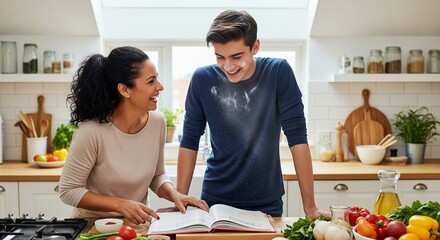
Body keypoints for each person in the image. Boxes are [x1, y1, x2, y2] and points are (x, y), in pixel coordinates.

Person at [176, 10, 329, 219]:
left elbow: (298, 138)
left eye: (236, 57)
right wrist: (180, 198)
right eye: (220, 57)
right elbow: (190, 140)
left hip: (267, 204)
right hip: (215, 202)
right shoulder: (202, 79)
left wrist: (310, 206)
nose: (228, 66)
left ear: (255, 47)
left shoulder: (278, 73)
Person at [59, 46, 208, 224]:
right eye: (151, 81)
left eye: (157, 79)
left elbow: (157, 175)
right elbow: (68, 190)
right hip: (93, 227)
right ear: (124, 90)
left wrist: (175, 194)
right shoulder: (91, 132)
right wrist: (120, 205)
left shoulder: (157, 122)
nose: (160, 87)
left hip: (136, 226)